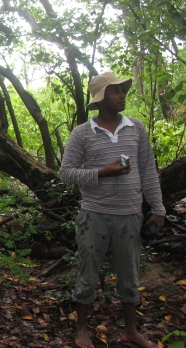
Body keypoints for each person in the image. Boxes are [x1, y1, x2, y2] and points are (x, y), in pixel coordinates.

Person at [61, 71, 165, 348]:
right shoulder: (83, 133)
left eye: (122, 90)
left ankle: (131, 330)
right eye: (115, 91)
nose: (122, 95)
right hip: (94, 215)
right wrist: (101, 173)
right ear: (101, 99)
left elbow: (148, 170)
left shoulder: (137, 128)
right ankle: (81, 329)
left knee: (130, 276)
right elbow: (66, 173)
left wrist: (158, 208)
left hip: (130, 215)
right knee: (88, 274)